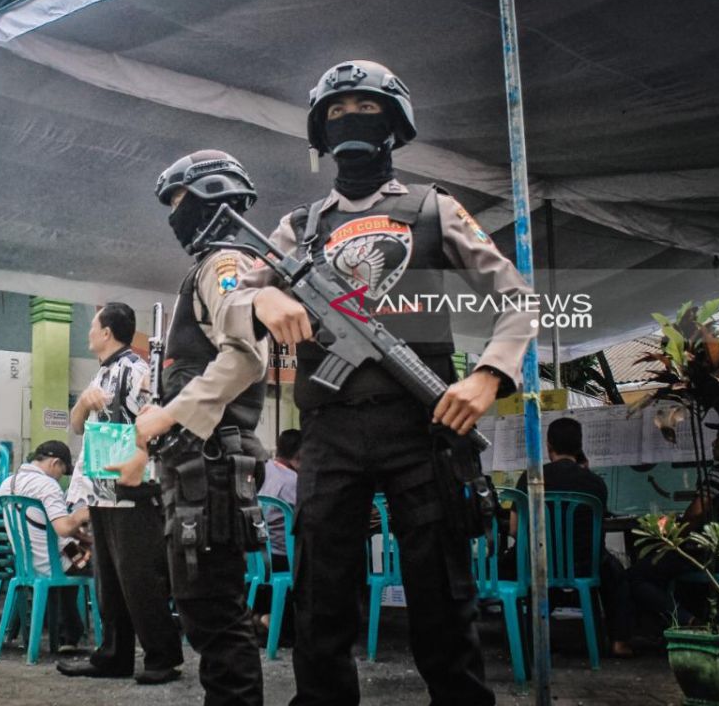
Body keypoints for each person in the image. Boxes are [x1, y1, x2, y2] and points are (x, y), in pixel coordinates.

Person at [228, 60, 537, 706]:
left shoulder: (434, 209)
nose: (351, 121)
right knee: (319, 603)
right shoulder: (299, 227)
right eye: (337, 112)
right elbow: (234, 293)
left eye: (365, 109)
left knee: (441, 600)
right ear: (319, 132)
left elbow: (518, 299)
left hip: (420, 426)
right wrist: (260, 303)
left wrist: (488, 376)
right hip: (330, 431)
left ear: (394, 125)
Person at [135, 149, 269, 706]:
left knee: (214, 613)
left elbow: (245, 356)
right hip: (196, 464)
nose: (174, 213)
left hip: (212, 465)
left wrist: (168, 414)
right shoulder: (211, 266)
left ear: (213, 195)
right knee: (204, 609)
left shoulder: (224, 263)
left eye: (179, 201)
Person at [59, 302, 184, 684]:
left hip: (132, 490)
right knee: (109, 580)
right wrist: (83, 401)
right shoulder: (100, 376)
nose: (89, 334)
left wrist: (140, 459)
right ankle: (114, 655)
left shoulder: (136, 370)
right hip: (101, 490)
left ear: (107, 332)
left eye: (93, 327)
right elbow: (76, 426)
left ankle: (163, 657)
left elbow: (154, 423)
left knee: (139, 577)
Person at [512, 418, 634, 657]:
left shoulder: (530, 478)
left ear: (548, 446)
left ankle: (525, 637)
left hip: (539, 563)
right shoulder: (595, 483)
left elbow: (515, 531)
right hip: (585, 565)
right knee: (617, 574)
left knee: (519, 570)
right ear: (579, 447)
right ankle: (620, 641)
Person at [629, 413, 719, 627]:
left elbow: (697, 512)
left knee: (638, 575)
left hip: (714, 555)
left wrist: (674, 536)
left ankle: (688, 621)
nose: (714, 442)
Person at [0, 440, 94, 651]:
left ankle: (68, 634)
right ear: (55, 463)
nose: (61, 477)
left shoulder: (7, 484)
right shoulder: (47, 485)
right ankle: (103, 635)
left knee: (76, 555)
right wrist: (83, 514)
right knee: (102, 563)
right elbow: (62, 528)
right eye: (62, 470)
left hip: (27, 564)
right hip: (53, 563)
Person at [252, 428, 302, 644]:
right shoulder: (295, 483)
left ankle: (264, 618)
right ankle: (272, 621)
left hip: (255, 557)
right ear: (300, 455)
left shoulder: (262, 471)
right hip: (282, 559)